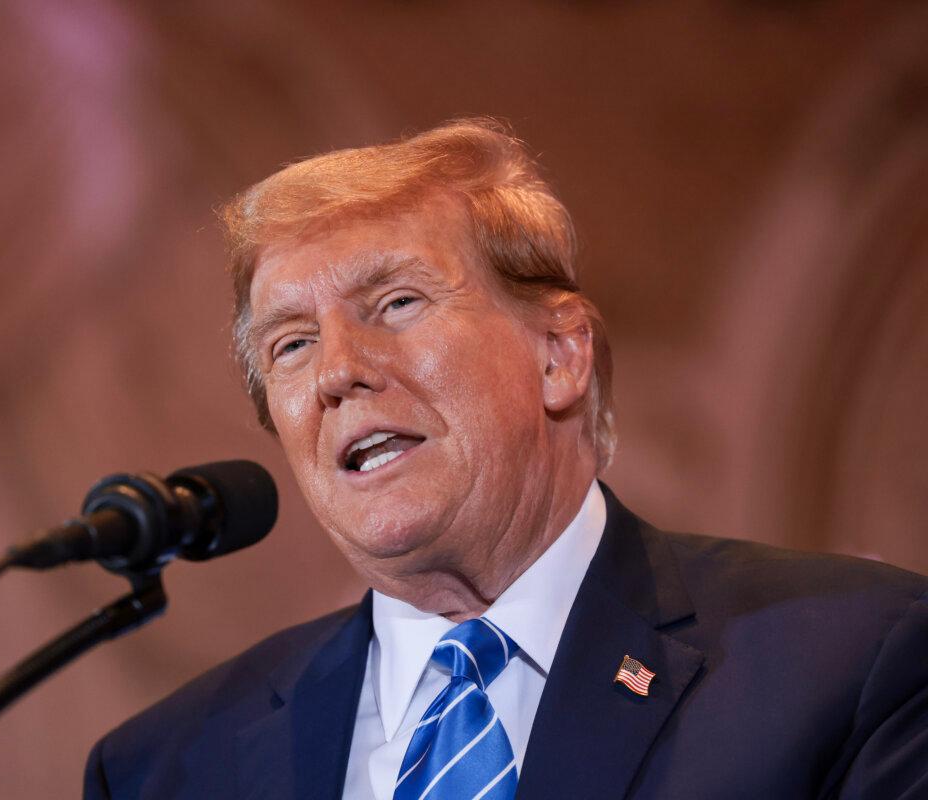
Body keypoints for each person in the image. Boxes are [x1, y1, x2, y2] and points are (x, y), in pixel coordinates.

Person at [83, 120, 928, 799]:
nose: (338, 370)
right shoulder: (166, 769)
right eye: (292, 344)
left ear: (559, 353)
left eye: (397, 301)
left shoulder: (850, 665)